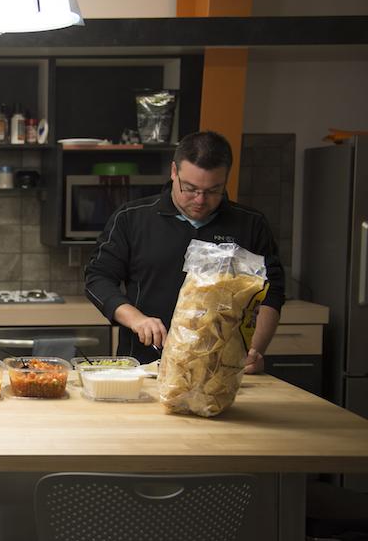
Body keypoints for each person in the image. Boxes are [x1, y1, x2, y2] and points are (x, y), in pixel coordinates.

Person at [84, 130, 285, 373]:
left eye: (213, 190)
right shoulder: (132, 218)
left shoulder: (250, 224)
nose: (200, 200)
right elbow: (98, 279)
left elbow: (271, 290)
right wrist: (137, 319)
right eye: (190, 188)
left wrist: (254, 349)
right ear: (173, 172)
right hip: (146, 365)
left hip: (224, 369)